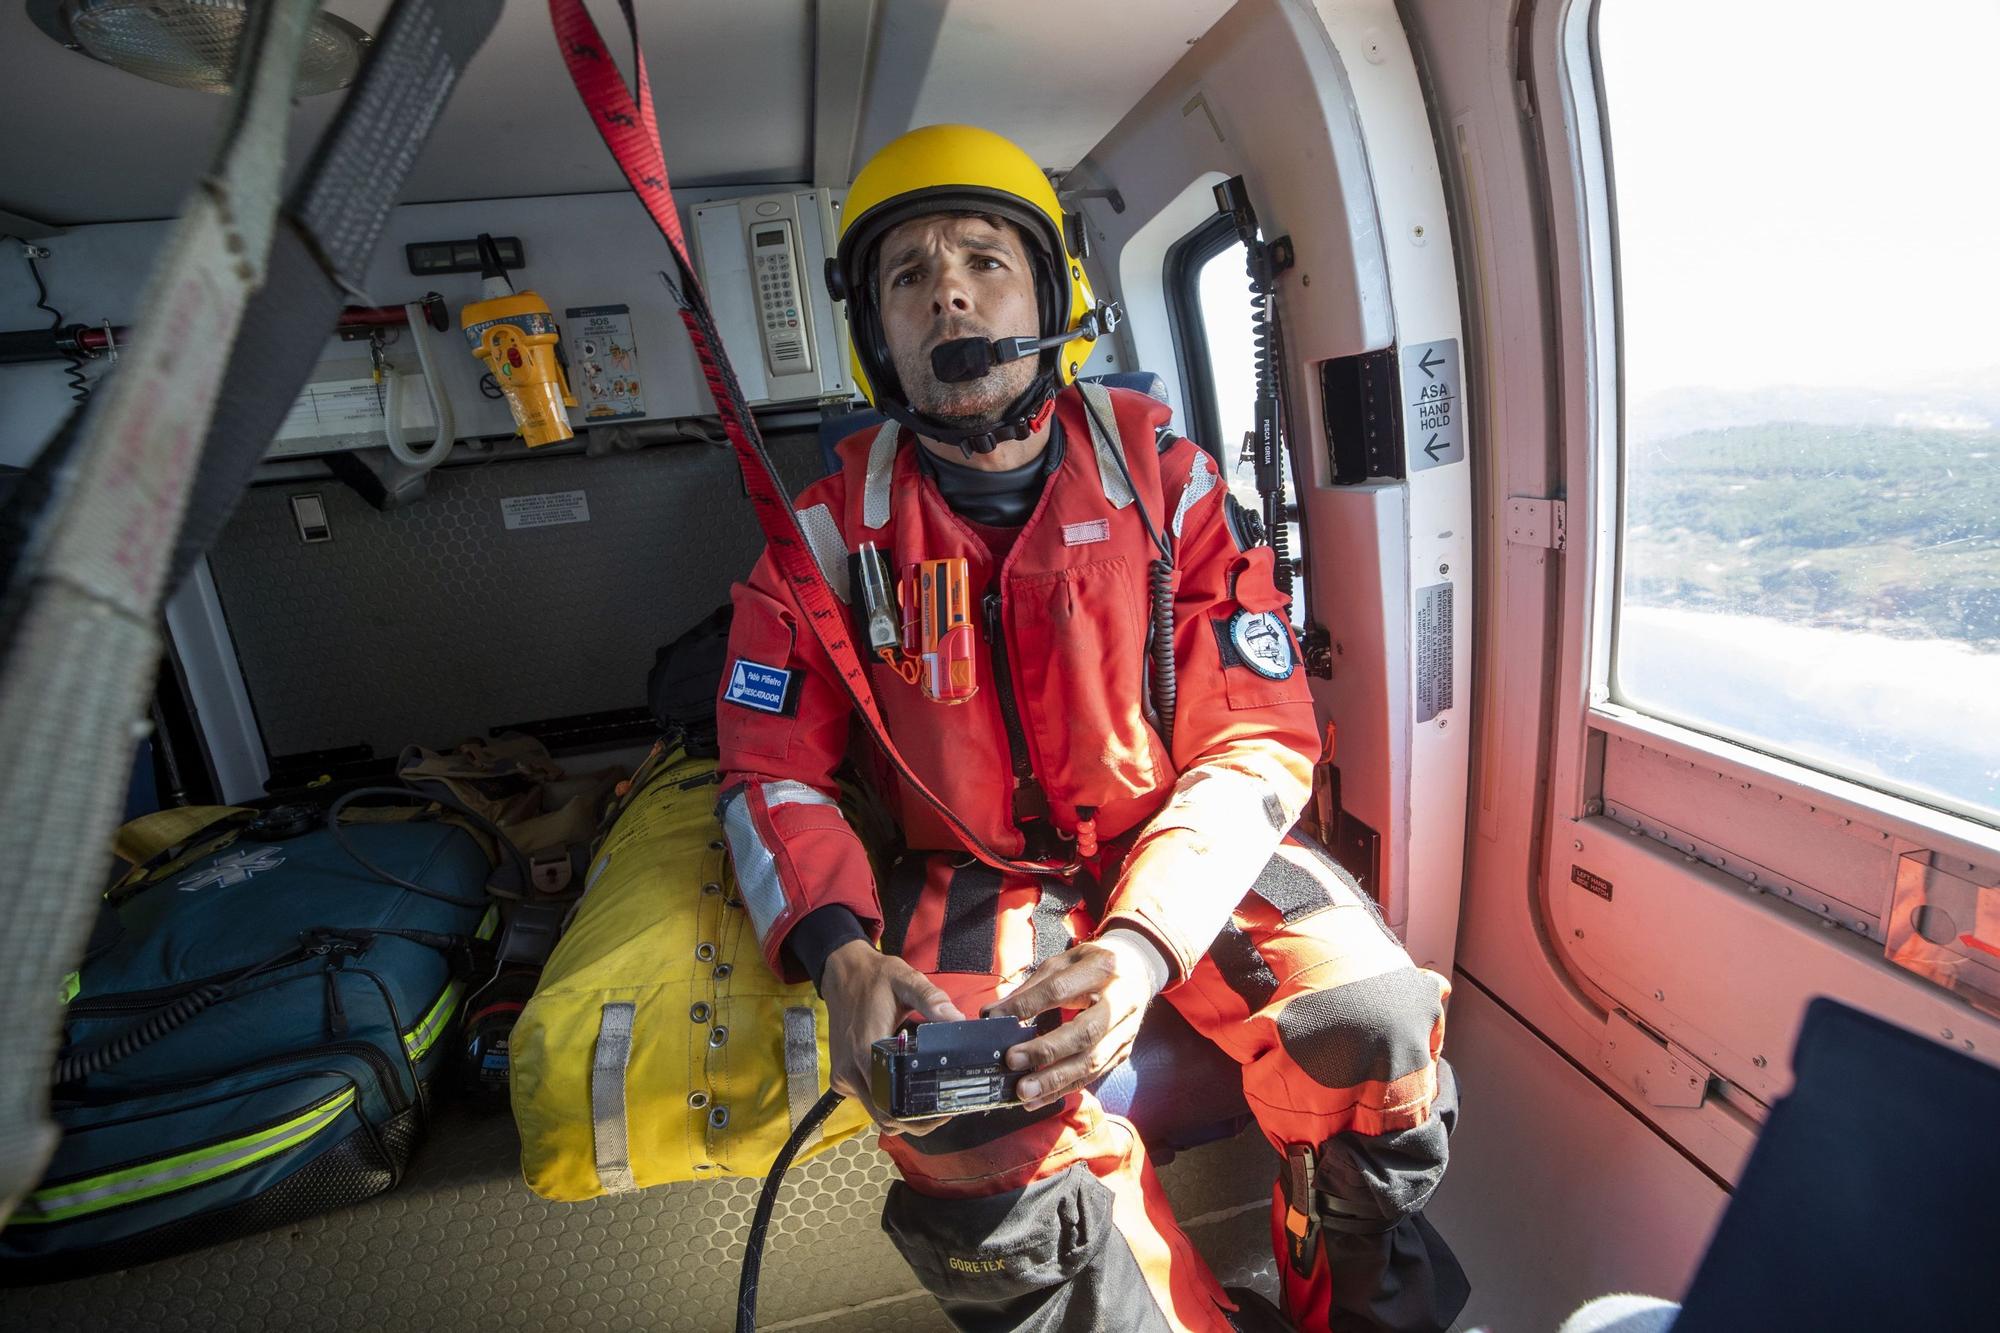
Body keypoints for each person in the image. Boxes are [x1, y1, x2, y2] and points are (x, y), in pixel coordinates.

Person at [716, 123, 1467, 1333]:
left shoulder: (1167, 485)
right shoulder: (816, 542)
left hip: (1172, 844)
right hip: (969, 874)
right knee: (957, 1109)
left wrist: (1141, 946)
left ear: (1052, 292)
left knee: (1367, 1021)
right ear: (875, 336)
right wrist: (839, 951)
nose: (946, 286)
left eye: (980, 257)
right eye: (905, 274)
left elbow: (1258, 736)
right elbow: (766, 770)